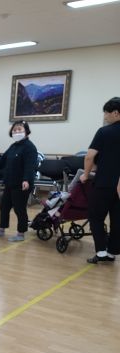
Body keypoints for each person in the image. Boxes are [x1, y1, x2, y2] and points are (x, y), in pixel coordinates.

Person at [80, 97, 120, 264]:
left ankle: (101, 252)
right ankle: (112, 252)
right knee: (117, 220)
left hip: (104, 183)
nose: (105, 116)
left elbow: (89, 156)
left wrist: (85, 174)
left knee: (95, 217)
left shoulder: (104, 132)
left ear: (116, 113)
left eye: (106, 113)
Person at [0, 121, 38, 242]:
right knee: (4, 206)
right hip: (10, 182)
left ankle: (21, 233)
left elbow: (30, 166)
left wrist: (26, 179)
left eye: (19, 129)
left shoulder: (30, 147)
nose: (16, 132)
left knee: (19, 209)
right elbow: (2, 161)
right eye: (14, 130)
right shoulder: (13, 146)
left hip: (22, 184)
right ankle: (1, 230)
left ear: (26, 131)